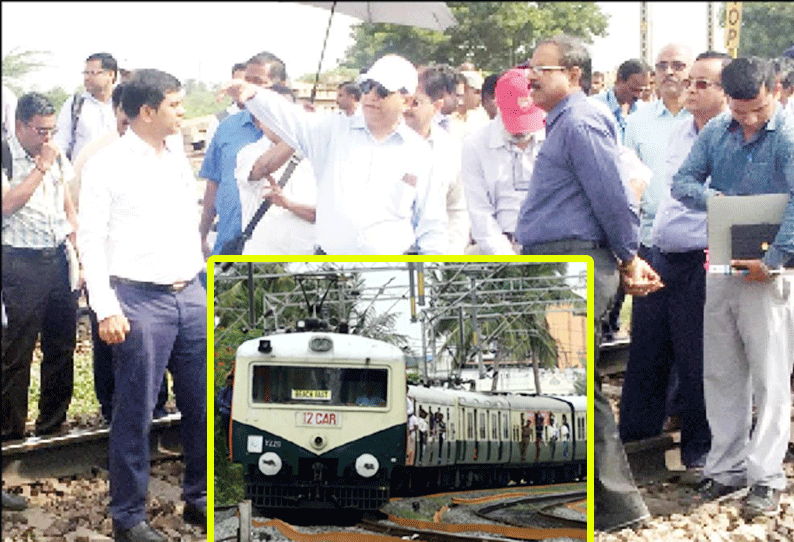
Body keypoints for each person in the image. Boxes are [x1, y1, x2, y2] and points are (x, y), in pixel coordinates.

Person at [514, 34, 661, 532]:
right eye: (529, 67)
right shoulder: (565, 123)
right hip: (557, 268)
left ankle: (615, 504)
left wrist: (628, 255)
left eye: (541, 69)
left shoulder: (579, 121)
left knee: (576, 383)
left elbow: (613, 195)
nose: (529, 76)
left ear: (573, 75)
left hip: (570, 267)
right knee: (571, 381)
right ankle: (595, 501)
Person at [78, 69, 207, 541]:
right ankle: (128, 517)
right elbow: (89, 242)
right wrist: (106, 306)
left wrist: (200, 287)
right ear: (147, 111)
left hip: (189, 293)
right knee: (135, 412)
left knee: (201, 404)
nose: (182, 112)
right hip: (139, 299)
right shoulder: (106, 166)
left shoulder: (174, 157)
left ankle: (199, 499)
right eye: (175, 104)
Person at [671, 56, 794, 517]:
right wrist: (713, 200)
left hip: (771, 272)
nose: (748, 119)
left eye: (757, 110)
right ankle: (725, 469)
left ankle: (765, 476)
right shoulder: (715, 132)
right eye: (740, 110)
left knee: (769, 376)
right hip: (722, 264)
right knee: (721, 372)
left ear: (776, 89)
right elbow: (682, 182)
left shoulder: (787, 137)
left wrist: (775, 257)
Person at [620, 51, 731, 482]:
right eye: (692, 82)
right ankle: (637, 445)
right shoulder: (681, 131)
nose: (691, 89)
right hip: (660, 251)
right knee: (647, 353)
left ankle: (699, 453)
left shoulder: (732, 137)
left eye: (703, 84)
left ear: (726, 92)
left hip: (702, 258)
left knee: (697, 358)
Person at [219, 53, 448, 255]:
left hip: (390, 275)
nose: (371, 96)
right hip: (332, 272)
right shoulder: (332, 132)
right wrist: (252, 95)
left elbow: (432, 224)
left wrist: (429, 285)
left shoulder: (419, 152)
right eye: (367, 87)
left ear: (406, 100)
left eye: (383, 90)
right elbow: (290, 117)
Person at [70, 82, 170, 424]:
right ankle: (110, 407)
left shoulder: (166, 152)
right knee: (109, 343)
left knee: (149, 348)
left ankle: (156, 407)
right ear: (118, 112)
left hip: (150, 271)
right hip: (113, 270)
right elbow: (80, 212)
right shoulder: (97, 156)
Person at [621, 43, 693, 429]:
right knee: (648, 343)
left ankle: (683, 418)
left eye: (677, 65)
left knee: (692, 344)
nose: (668, 72)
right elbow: (627, 180)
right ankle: (639, 431)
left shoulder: (709, 120)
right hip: (649, 241)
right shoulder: (638, 122)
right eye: (661, 65)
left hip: (697, 243)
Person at [2, 92, 78, 441]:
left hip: (57, 257)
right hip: (20, 261)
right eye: (40, 130)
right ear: (19, 125)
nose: (47, 138)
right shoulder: (6, 156)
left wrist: (78, 247)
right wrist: (40, 167)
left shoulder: (55, 155)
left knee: (61, 346)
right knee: (17, 352)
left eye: (52, 130)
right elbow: (6, 205)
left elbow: (66, 204)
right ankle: (10, 433)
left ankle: (52, 426)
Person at [198, 51, 287, 258]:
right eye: (247, 80)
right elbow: (214, 183)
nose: (249, 88)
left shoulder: (296, 132)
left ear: (280, 84)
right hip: (229, 244)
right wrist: (202, 236)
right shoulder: (227, 127)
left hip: (277, 250)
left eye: (259, 82)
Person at [462, 68, 545, 255]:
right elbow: (480, 212)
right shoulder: (475, 145)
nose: (521, 131)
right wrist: (507, 257)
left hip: (548, 245)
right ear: (496, 105)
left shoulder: (553, 137)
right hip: (496, 245)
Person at [234, 84, 316, 255]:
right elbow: (263, 167)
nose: (281, 122)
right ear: (257, 122)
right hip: (261, 261)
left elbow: (324, 215)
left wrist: (289, 205)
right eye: (272, 115)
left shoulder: (316, 155)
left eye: (286, 115)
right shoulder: (248, 153)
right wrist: (299, 131)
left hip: (307, 261)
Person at [403, 65, 470, 253]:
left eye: (415, 102)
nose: (406, 108)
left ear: (436, 106)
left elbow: (457, 209)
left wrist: (450, 254)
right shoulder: (382, 145)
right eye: (404, 100)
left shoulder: (450, 149)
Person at [54, 52, 118, 161]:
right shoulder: (75, 105)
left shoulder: (123, 104)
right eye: (85, 73)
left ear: (111, 75)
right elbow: (60, 143)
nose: (87, 78)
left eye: (93, 73)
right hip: (81, 174)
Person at [591, 58, 651, 142]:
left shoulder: (644, 111)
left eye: (642, 90)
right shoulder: (594, 107)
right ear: (619, 80)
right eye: (634, 90)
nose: (639, 96)